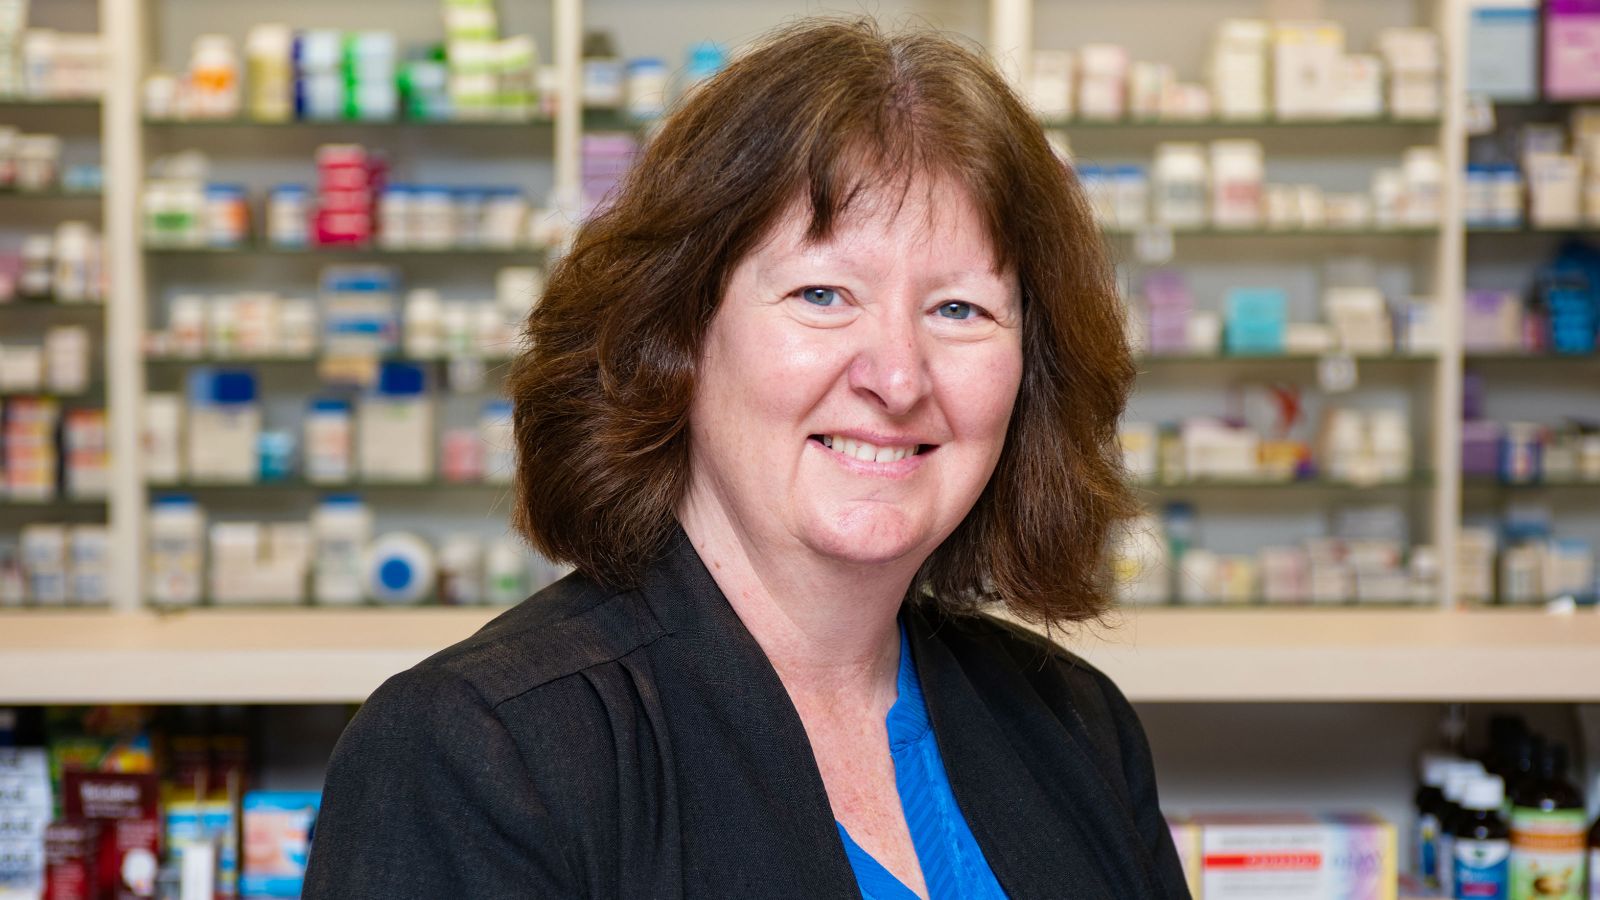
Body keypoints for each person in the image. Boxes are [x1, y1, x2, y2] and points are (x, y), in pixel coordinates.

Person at [304, 17, 1189, 900]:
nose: (897, 376)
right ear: (676, 337)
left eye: (960, 309)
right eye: (822, 293)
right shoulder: (481, 755)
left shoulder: (1075, 723)